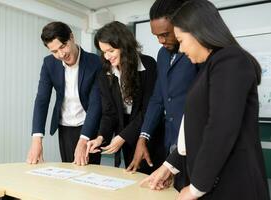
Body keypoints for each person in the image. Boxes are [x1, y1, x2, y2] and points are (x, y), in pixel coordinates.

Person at [141, 1, 270, 200]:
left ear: (199, 32)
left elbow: (220, 126)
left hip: (234, 183)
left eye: (182, 40)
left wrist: (196, 188)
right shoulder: (208, 67)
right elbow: (193, 124)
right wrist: (170, 165)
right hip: (214, 180)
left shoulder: (230, 60)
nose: (181, 49)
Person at [127, 0, 197, 180]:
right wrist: (143, 137)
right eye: (156, 35)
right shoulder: (162, 54)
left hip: (194, 143)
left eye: (165, 34)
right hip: (169, 143)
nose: (161, 41)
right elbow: (158, 98)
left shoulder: (197, 52)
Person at [86, 21, 160, 170]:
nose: (107, 57)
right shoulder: (104, 73)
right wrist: (101, 137)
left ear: (125, 46)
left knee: (150, 175)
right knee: (132, 175)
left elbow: (148, 109)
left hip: (148, 131)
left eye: (111, 51)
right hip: (124, 127)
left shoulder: (148, 64)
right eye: (103, 52)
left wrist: (122, 137)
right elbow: (109, 113)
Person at [26, 21, 102, 166]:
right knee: (69, 170)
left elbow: (95, 103)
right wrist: (37, 139)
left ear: (72, 37)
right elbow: (42, 100)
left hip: (89, 125)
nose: (61, 54)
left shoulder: (95, 62)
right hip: (65, 126)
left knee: (89, 171)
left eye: (63, 46)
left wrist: (84, 139)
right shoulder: (49, 63)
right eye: (54, 51)